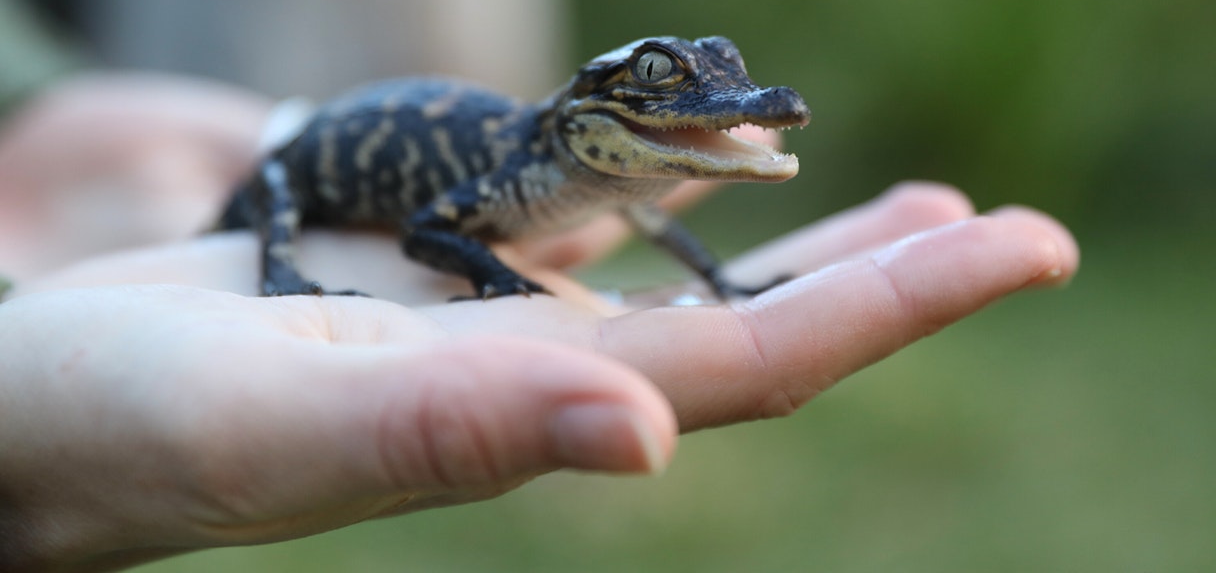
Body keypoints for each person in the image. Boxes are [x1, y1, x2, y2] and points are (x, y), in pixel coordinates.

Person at [0, 161, 1079, 571]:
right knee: (284, 194)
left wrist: (725, 283)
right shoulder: (523, 169)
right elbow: (429, 229)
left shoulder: (616, 179)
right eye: (661, 81)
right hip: (307, 179)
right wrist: (486, 276)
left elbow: (654, 218)